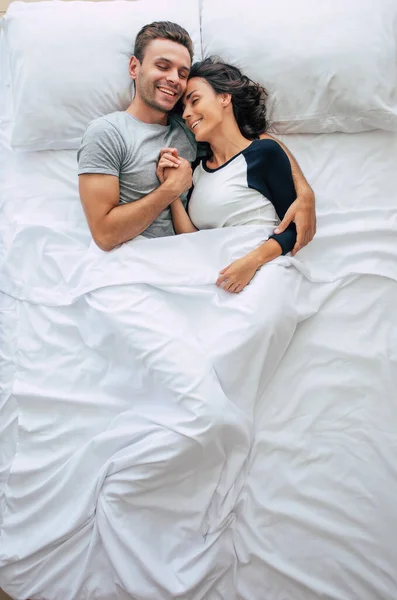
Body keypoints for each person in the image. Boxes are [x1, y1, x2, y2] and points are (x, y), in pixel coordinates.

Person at [77, 21, 315, 255]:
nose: (174, 79)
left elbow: (253, 142)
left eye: (182, 73)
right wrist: (171, 189)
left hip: (194, 262)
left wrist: (304, 193)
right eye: (162, 66)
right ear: (134, 68)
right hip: (135, 260)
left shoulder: (189, 128)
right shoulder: (107, 132)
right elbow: (105, 236)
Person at [157, 58, 303, 294]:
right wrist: (171, 189)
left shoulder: (264, 154)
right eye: (183, 108)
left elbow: (295, 228)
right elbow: (192, 238)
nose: (186, 114)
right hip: (212, 276)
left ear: (224, 97)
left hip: (262, 271)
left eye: (194, 101)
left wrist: (251, 262)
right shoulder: (198, 171)